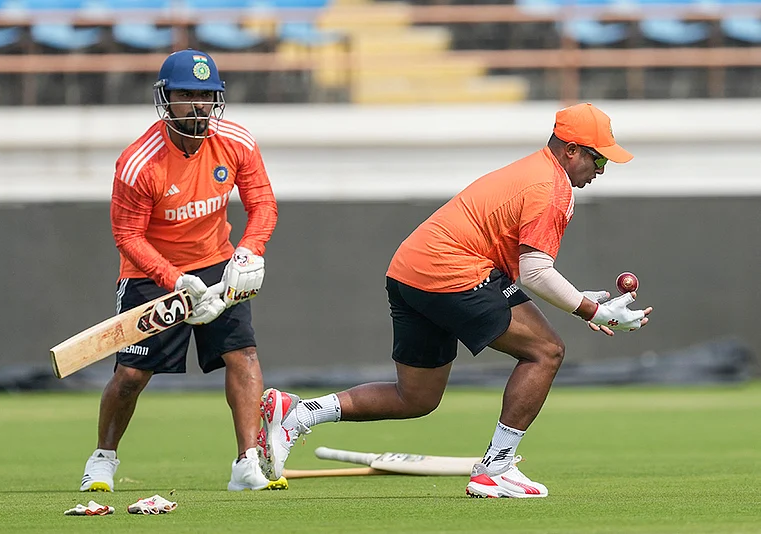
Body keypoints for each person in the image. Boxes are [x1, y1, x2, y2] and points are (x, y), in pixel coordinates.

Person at [256, 102, 653, 498]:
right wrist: (595, 311)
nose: (600, 170)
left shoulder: (534, 170)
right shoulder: (553, 188)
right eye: (597, 159)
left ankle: (299, 413)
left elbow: (525, 267)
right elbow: (535, 273)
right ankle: (495, 469)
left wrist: (579, 300)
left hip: (408, 271)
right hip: (454, 271)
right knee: (546, 351)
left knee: (416, 397)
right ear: (571, 150)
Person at [79, 49, 285, 493]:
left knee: (243, 355)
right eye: (186, 95)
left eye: (206, 95)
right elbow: (128, 238)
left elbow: (262, 204)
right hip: (150, 272)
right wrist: (175, 281)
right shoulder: (138, 163)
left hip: (216, 262)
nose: (198, 105)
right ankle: (102, 458)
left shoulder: (236, 141)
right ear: (166, 99)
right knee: (131, 375)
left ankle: (246, 462)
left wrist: (249, 251)